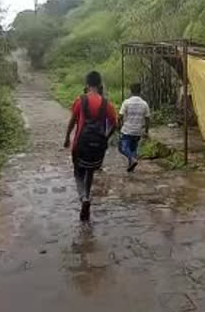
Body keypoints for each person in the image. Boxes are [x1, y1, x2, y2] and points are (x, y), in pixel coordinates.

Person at [64, 71, 117, 221]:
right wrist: (105, 138)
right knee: (90, 172)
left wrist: (67, 137)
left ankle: (84, 198)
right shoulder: (106, 103)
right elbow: (115, 124)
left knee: (78, 173)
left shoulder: (80, 100)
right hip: (97, 145)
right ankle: (87, 196)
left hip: (80, 143)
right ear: (100, 85)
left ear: (87, 85)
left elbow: (72, 121)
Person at [118, 83, 151, 172]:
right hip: (138, 131)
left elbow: (120, 116)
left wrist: (119, 126)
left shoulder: (126, 102)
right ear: (140, 91)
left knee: (122, 148)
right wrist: (146, 131)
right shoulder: (144, 104)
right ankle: (131, 169)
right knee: (133, 149)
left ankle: (132, 160)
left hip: (127, 130)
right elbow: (147, 119)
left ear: (131, 91)